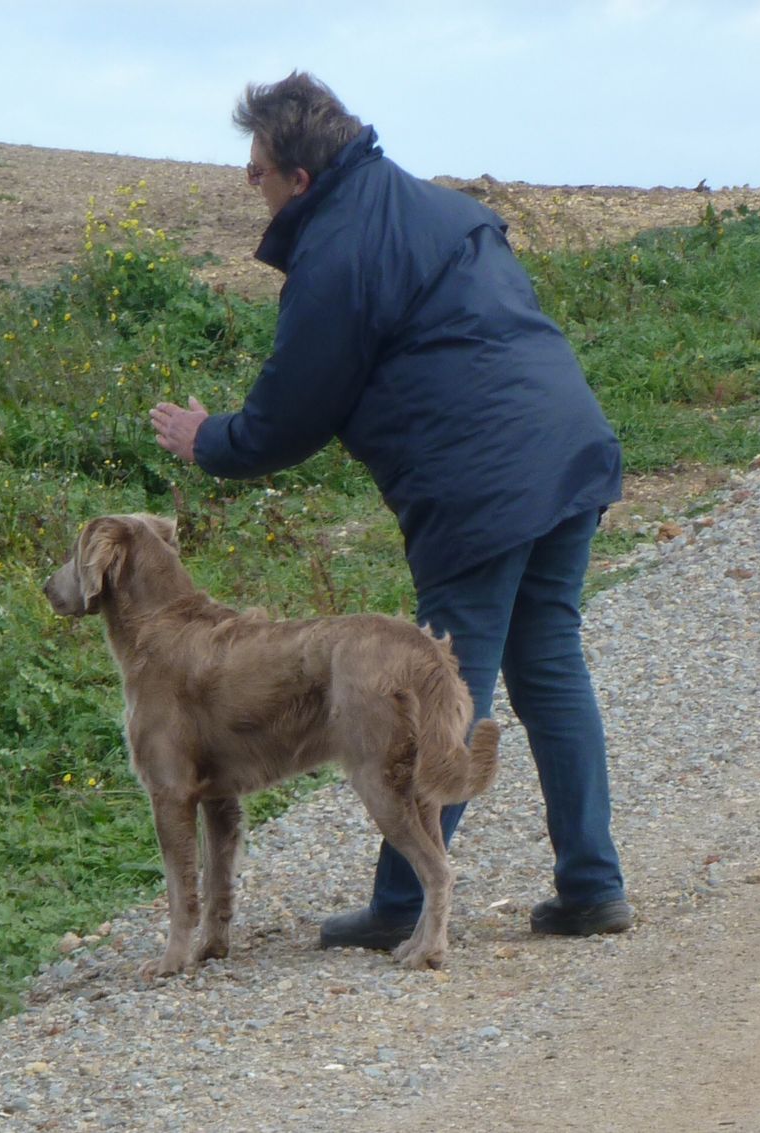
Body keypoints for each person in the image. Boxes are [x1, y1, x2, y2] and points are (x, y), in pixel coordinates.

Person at [149, 71, 632, 950]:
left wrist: (207, 439)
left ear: (299, 176)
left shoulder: (336, 253)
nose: (249, 184)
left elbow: (291, 413)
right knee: (550, 662)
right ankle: (593, 884)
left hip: (479, 485)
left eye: (256, 170)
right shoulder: (440, 207)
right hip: (570, 447)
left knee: (439, 686)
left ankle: (407, 904)